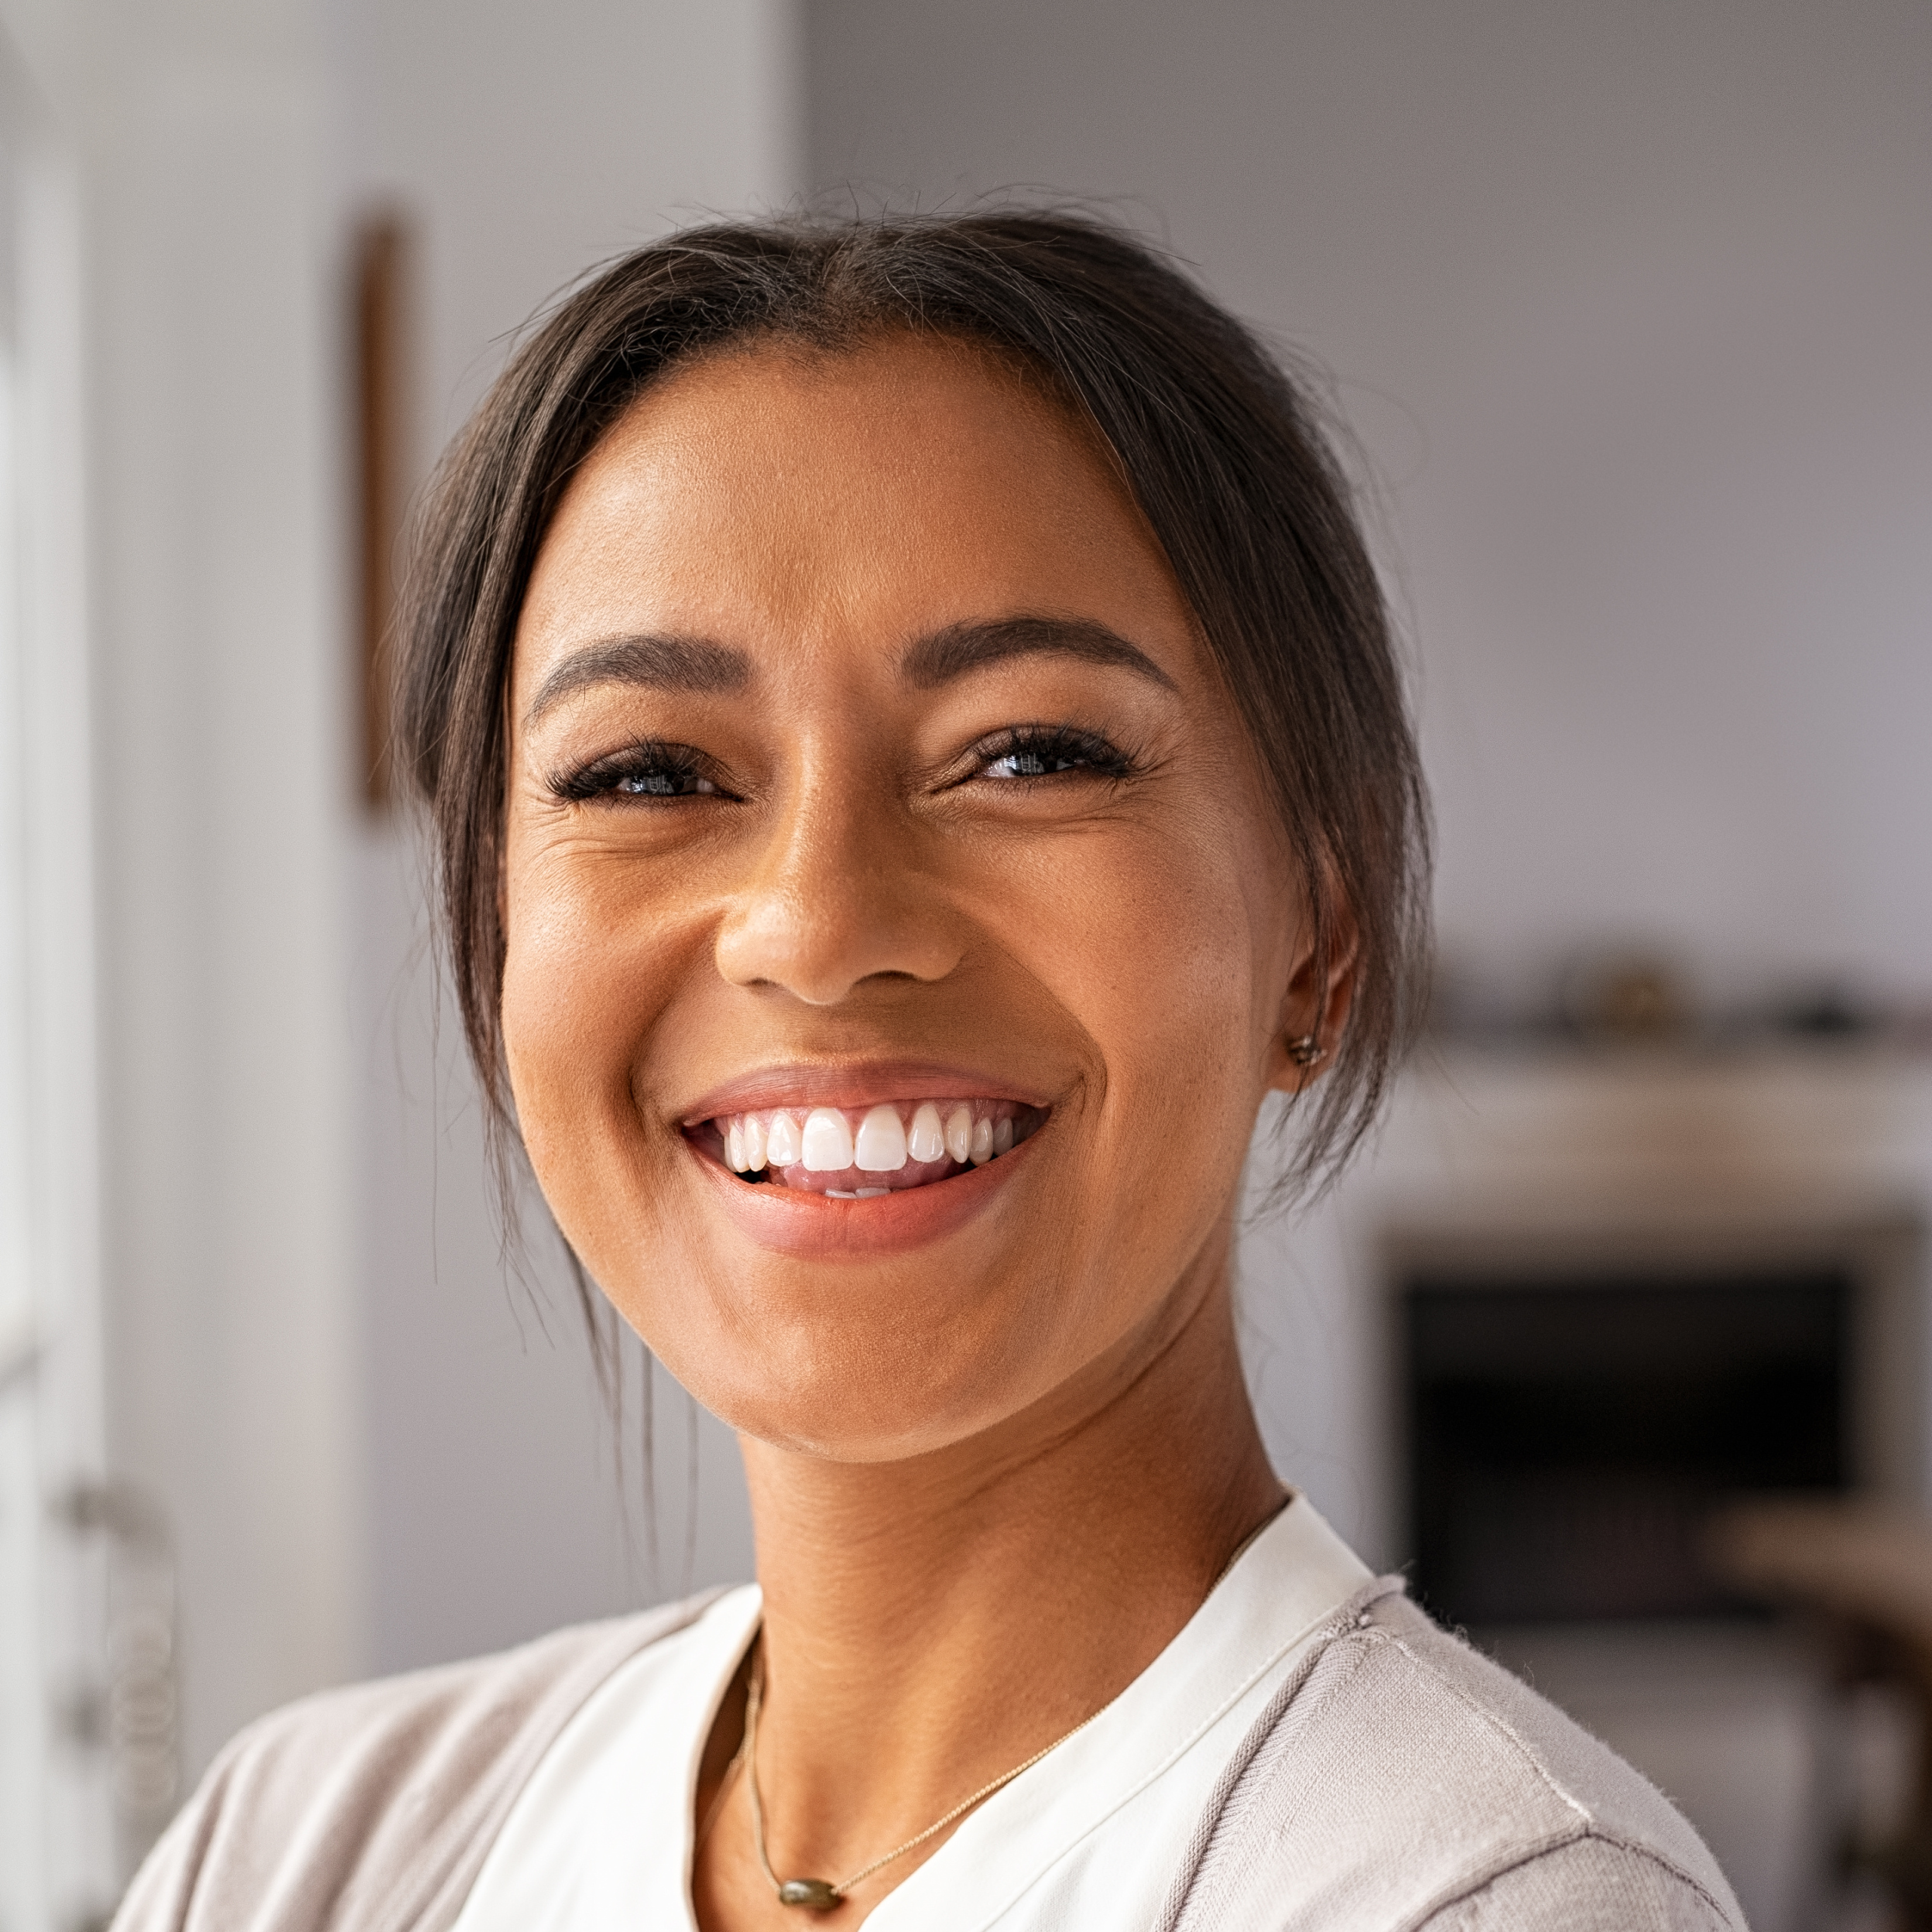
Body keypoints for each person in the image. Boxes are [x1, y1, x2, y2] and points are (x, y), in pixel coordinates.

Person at [114, 211, 1745, 1931]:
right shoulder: (304, 1852)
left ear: (1316, 941)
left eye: (1030, 752)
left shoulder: (1480, 1901)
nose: (818, 926)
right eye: (648, 772)